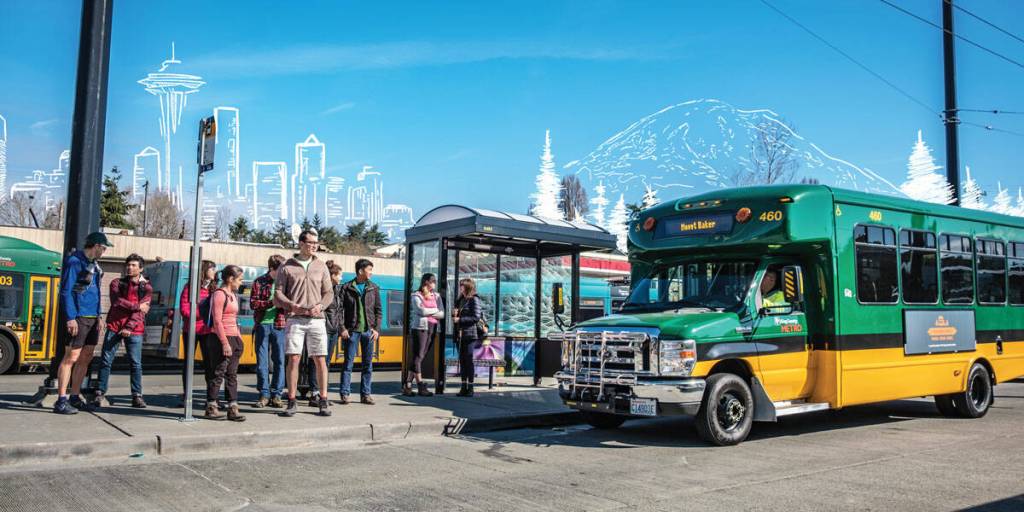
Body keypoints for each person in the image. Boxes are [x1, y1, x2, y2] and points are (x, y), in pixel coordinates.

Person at [274, 230, 335, 417]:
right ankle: (291, 401)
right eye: (310, 242)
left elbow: (329, 293)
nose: (314, 246)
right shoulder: (286, 267)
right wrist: (290, 304)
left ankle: (323, 399)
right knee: (293, 358)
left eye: (316, 243)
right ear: (301, 243)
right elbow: (277, 293)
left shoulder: (321, 266)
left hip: (317, 319)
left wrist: (321, 306)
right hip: (295, 319)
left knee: (320, 359)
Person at [53, 232, 113, 414]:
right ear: (95, 246)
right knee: (70, 357)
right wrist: (71, 317)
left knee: (86, 357)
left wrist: (99, 316)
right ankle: (61, 400)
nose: (104, 252)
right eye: (103, 248)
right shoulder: (75, 262)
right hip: (78, 316)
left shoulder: (93, 265)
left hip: (92, 317)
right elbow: (66, 291)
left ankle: (75, 396)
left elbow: (94, 293)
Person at [95, 253, 152, 408]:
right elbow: (116, 302)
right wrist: (136, 306)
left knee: (135, 364)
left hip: (134, 329)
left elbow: (142, 312)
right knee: (106, 361)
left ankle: (137, 396)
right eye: (128, 264)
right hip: (114, 326)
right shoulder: (116, 283)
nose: (129, 267)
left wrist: (128, 327)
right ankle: (100, 392)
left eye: (133, 265)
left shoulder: (146, 288)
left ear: (140, 268)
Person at [205, 265, 246, 422]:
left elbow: (233, 319)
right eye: (240, 279)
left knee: (232, 374)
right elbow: (217, 321)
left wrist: (238, 339)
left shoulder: (233, 295)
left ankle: (232, 407)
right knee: (218, 373)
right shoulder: (219, 295)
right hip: (220, 338)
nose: (241, 283)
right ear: (230, 279)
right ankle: (211, 407)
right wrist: (224, 343)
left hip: (234, 338)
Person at [338, 258, 381, 405]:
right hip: (352, 331)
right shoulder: (347, 287)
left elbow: (378, 311)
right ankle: (345, 393)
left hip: (368, 332)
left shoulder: (374, 288)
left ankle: (366, 394)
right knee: (348, 364)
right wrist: (342, 328)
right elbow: (339, 311)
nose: (371, 273)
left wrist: (376, 329)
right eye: (369, 270)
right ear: (361, 271)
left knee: (367, 365)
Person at [178, 260, 218, 407]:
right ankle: (186, 395)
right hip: (191, 330)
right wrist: (203, 312)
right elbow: (184, 309)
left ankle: (212, 397)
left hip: (207, 331)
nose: (214, 272)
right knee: (188, 364)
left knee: (210, 364)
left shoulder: (214, 289)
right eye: (212, 269)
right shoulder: (190, 288)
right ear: (204, 270)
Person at [250, 254, 287, 408]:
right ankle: (264, 394)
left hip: (279, 325)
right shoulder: (259, 281)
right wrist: (271, 303)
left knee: (279, 361)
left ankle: (277, 394)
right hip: (262, 325)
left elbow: (290, 303)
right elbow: (253, 303)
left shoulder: (285, 283)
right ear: (272, 268)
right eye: (281, 269)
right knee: (262, 362)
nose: (283, 272)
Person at [307, 260, 343, 406]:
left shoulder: (337, 290)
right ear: (332, 275)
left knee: (325, 363)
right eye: (339, 275)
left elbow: (339, 311)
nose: (341, 278)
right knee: (317, 361)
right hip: (324, 328)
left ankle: (323, 393)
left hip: (333, 329)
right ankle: (315, 392)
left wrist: (340, 328)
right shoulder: (323, 290)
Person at [404, 273, 443, 397]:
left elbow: (442, 313)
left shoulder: (436, 296)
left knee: (419, 356)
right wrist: (434, 311)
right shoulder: (416, 295)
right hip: (420, 328)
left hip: (433, 327)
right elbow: (420, 311)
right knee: (419, 355)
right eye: (433, 281)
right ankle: (420, 385)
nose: (434, 284)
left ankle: (408, 385)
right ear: (426, 282)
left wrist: (431, 312)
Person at [452, 278, 483, 398]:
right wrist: (454, 315)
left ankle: (471, 387)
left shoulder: (474, 299)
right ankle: (463, 386)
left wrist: (460, 319)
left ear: (468, 287)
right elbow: (456, 315)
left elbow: (476, 317)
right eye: (460, 285)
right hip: (460, 334)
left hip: (470, 334)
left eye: (462, 286)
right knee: (462, 361)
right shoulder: (460, 299)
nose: (460, 287)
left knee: (468, 361)